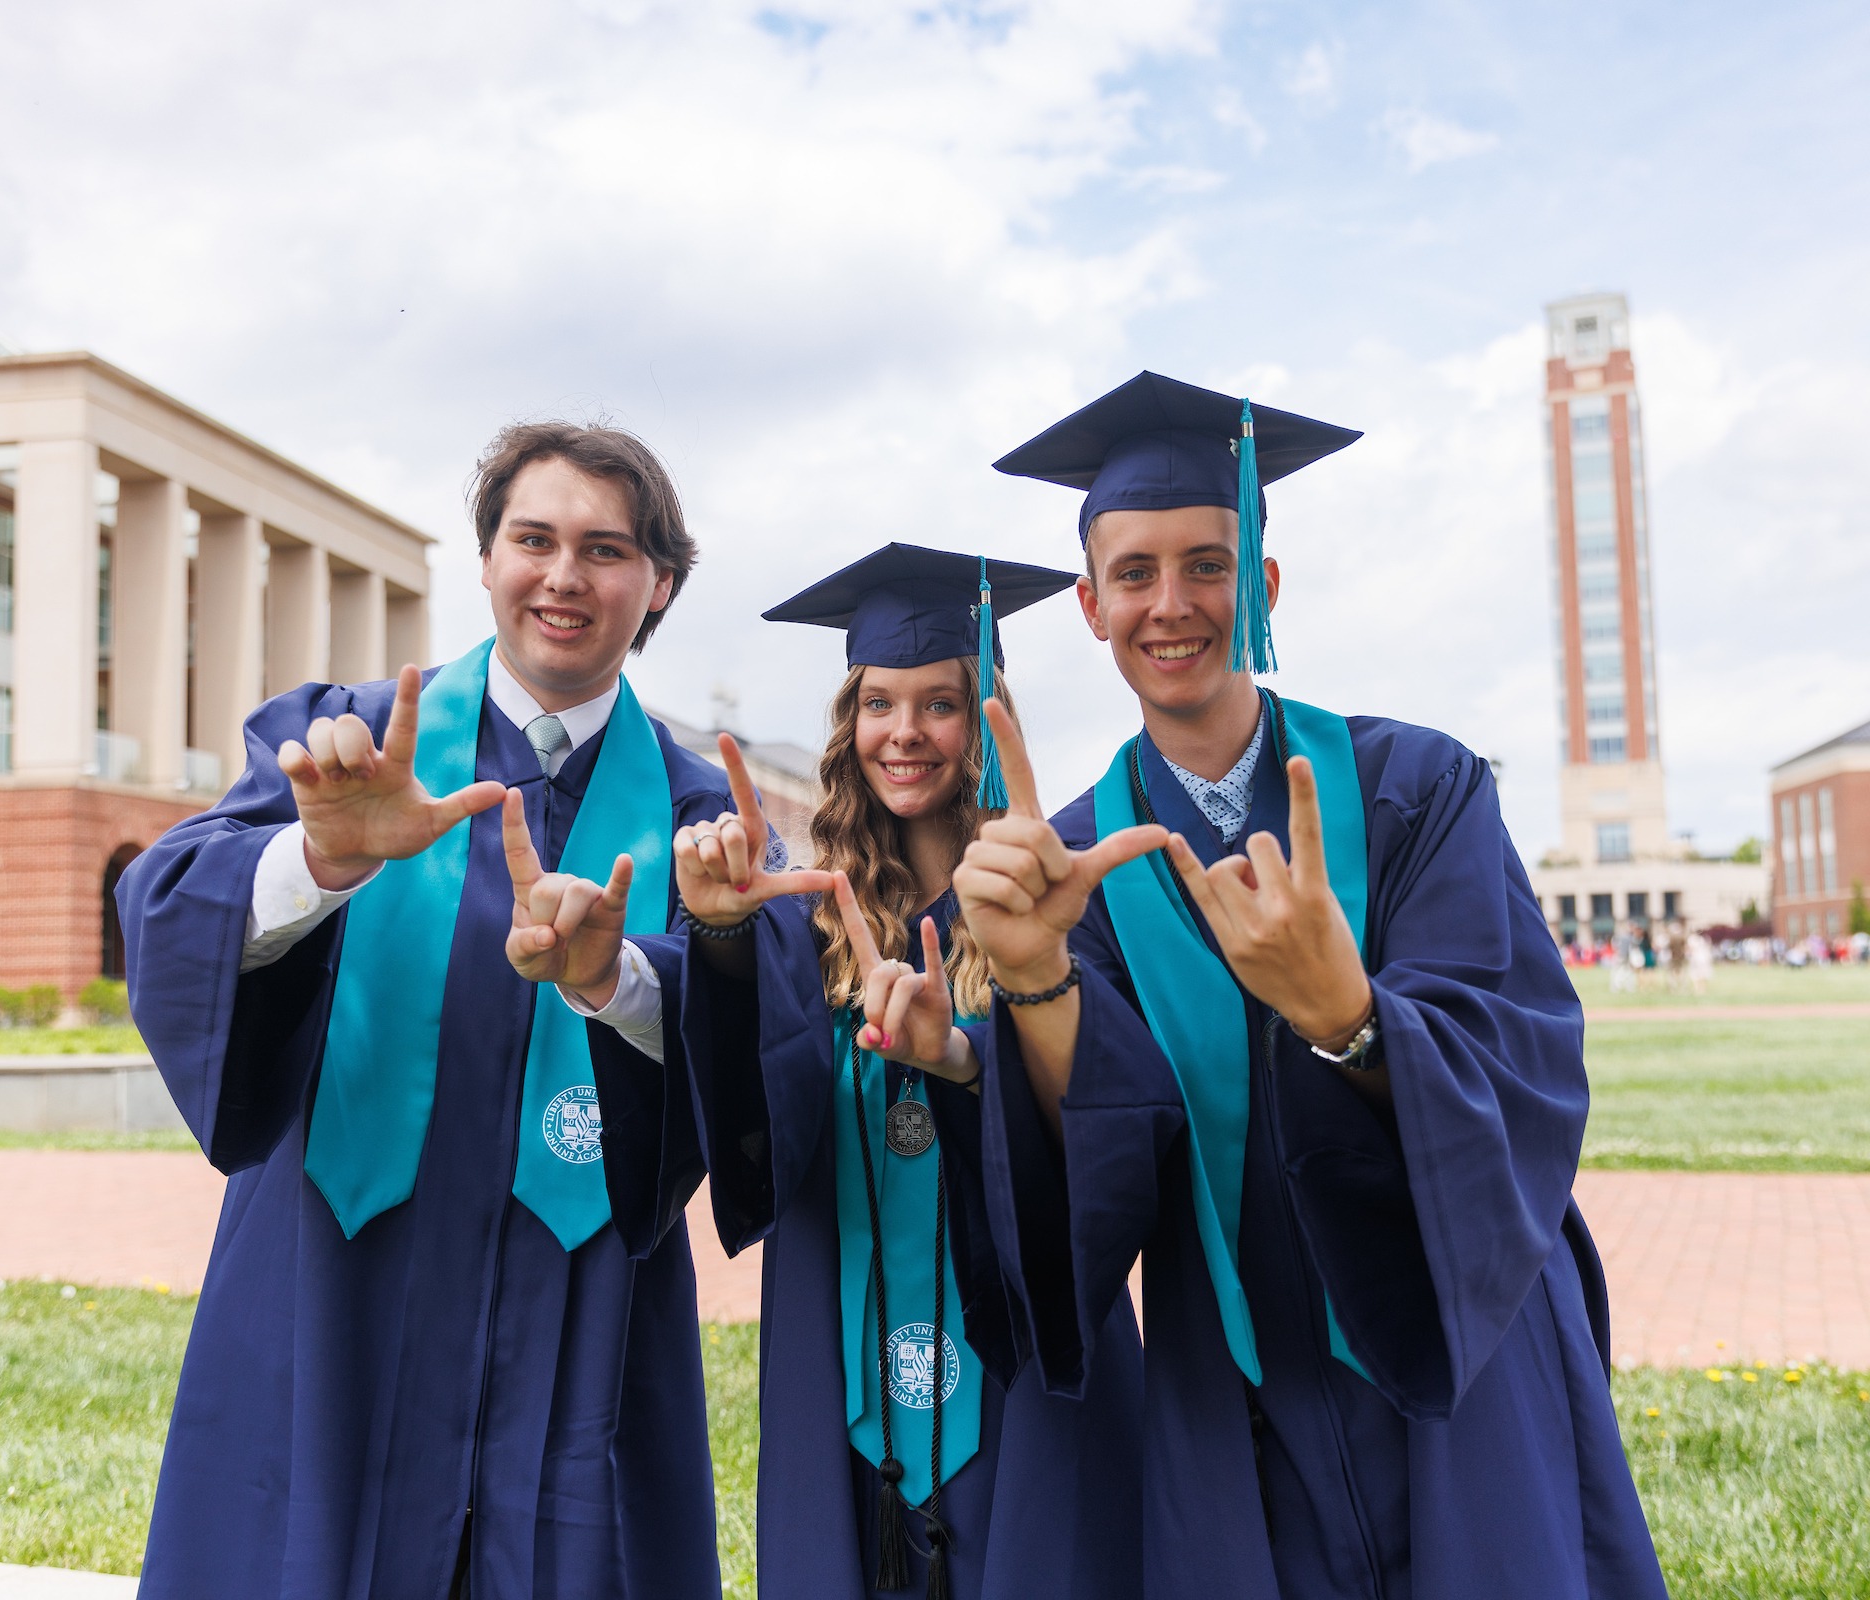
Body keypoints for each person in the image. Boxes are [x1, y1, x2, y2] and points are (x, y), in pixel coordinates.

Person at [957, 372, 1667, 1597]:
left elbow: (1524, 1047)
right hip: (1234, 1365)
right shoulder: (1078, 859)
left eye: (1208, 566)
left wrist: (1348, 1017)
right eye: (1133, 573)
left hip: (1457, 1324)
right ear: (1087, 604)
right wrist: (1035, 982)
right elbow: (1110, 1142)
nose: (1170, 605)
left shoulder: (1416, 788)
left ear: (1265, 586)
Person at [115, 422, 743, 1599]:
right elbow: (164, 900)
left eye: (606, 550)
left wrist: (623, 979)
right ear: (488, 557)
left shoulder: (701, 806)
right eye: (534, 538)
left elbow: (753, 1043)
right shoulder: (350, 741)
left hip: (583, 1299)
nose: (564, 576)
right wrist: (318, 859)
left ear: (658, 582)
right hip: (336, 1273)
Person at [530, 544, 1146, 1599]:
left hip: (1017, 1338)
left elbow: (1108, 1108)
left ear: (985, 725)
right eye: (878, 703)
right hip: (838, 1328)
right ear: (847, 726)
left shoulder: (1050, 904)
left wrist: (963, 1055)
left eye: (940, 704)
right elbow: (741, 1099)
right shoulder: (801, 913)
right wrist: (721, 942)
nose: (905, 732)